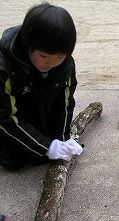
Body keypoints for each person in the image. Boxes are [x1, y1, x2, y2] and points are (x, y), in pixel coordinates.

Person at [0, 2, 83, 170]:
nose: (51, 64)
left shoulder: (64, 65)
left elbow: (65, 102)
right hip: (9, 126)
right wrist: (47, 148)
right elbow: (5, 117)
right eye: (44, 55)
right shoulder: (4, 67)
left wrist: (62, 138)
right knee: (15, 161)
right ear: (27, 43)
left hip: (36, 113)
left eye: (59, 56)